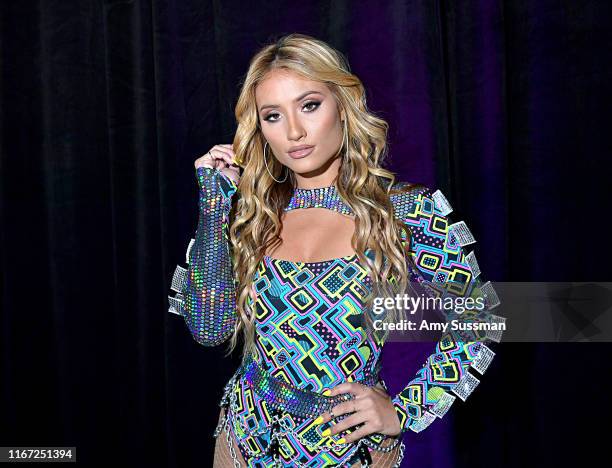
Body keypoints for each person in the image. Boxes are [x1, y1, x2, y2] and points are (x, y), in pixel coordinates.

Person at [168, 33, 502, 467]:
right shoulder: (253, 212)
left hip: (350, 450)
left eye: (309, 105)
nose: (294, 131)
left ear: (343, 106)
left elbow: (480, 318)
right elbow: (210, 329)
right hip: (242, 442)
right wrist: (214, 206)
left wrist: (404, 410)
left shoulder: (404, 211)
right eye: (272, 115)